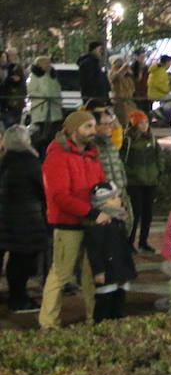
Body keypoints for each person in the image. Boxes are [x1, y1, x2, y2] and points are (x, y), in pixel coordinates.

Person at [38, 111, 104, 328]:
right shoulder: (57, 157)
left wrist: (110, 200)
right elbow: (59, 196)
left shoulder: (92, 154)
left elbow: (101, 185)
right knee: (61, 274)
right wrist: (93, 212)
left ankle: (93, 318)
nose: (93, 131)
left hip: (90, 223)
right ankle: (48, 323)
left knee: (90, 274)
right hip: (68, 224)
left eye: (93, 126)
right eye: (88, 127)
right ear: (73, 130)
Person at [0, 125, 46, 312]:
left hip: (5, 218)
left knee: (13, 260)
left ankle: (14, 296)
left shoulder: (4, 162)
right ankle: (18, 299)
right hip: (26, 220)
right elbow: (44, 190)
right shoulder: (31, 163)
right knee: (22, 261)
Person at [84, 181, 136, 322]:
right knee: (104, 302)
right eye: (113, 198)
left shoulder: (118, 220)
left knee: (119, 299)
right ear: (103, 204)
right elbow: (94, 251)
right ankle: (101, 326)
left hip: (120, 267)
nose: (118, 200)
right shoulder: (98, 226)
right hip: (108, 269)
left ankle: (116, 322)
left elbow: (123, 246)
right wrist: (98, 270)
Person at [121, 110, 163, 252]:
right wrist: (131, 174)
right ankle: (129, 242)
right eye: (141, 123)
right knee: (135, 213)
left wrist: (158, 171)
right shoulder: (128, 141)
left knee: (148, 213)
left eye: (146, 122)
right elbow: (123, 161)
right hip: (135, 183)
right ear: (134, 125)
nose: (145, 125)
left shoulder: (151, 138)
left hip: (150, 181)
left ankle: (143, 242)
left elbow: (159, 155)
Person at [25, 55, 64, 151]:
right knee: (40, 133)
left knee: (54, 131)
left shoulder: (53, 76)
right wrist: (44, 98)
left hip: (54, 109)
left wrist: (57, 101)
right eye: (46, 63)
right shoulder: (34, 77)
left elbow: (57, 90)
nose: (48, 65)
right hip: (41, 109)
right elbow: (31, 91)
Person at [110, 57, 135, 127]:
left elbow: (132, 86)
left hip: (129, 100)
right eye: (118, 61)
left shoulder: (128, 74)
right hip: (119, 100)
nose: (120, 63)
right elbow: (114, 78)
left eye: (121, 61)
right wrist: (122, 69)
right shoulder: (112, 72)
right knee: (121, 120)